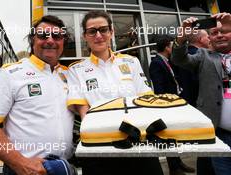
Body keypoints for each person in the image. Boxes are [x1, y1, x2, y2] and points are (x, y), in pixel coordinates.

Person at [67, 10, 163, 175]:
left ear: (111, 32)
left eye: (103, 29)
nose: (98, 35)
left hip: (138, 143)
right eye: (92, 31)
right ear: (85, 36)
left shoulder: (131, 62)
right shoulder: (76, 70)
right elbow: (84, 113)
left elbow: (145, 99)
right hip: (100, 147)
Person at [0, 15, 75, 175]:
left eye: (57, 36)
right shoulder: (11, 73)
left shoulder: (70, 75)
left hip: (65, 167)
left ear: (63, 41)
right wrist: (20, 163)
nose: (50, 40)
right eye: (43, 35)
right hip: (24, 170)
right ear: (32, 40)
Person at [172, 12, 231, 175]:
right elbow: (179, 59)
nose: (219, 35)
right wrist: (182, 37)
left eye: (224, 31)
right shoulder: (204, 56)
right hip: (220, 137)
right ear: (209, 38)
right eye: (214, 33)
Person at [149, 34, 195, 175]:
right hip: (167, 105)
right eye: (171, 45)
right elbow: (159, 88)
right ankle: (174, 168)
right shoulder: (156, 63)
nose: (173, 48)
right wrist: (166, 104)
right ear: (166, 47)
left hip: (176, 102)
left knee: (174, 135)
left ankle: (178, 162)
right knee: (168, 136)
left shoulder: (168, 61)